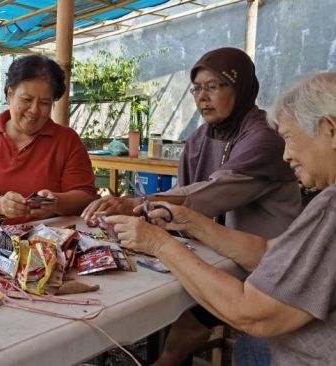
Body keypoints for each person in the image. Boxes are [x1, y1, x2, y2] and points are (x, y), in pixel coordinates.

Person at [82, 47, 302, 365]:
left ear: (240, 88)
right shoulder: (200, 138)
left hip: (262, 264)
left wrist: (137, 204)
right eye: (197, 88)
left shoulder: (265, 136)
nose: (202, 97)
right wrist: (149, 212)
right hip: (216, 254)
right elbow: (181, 196)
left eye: (213, 86)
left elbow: (211, 193)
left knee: (185, 316)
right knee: (158, 295)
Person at [0, 54, 97, 228]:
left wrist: (56, 202)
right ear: (9, 94)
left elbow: (85, 196)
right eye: (27, 100)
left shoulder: (67, 141)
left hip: (50, 244)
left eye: (45, 103)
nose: (34, 110)